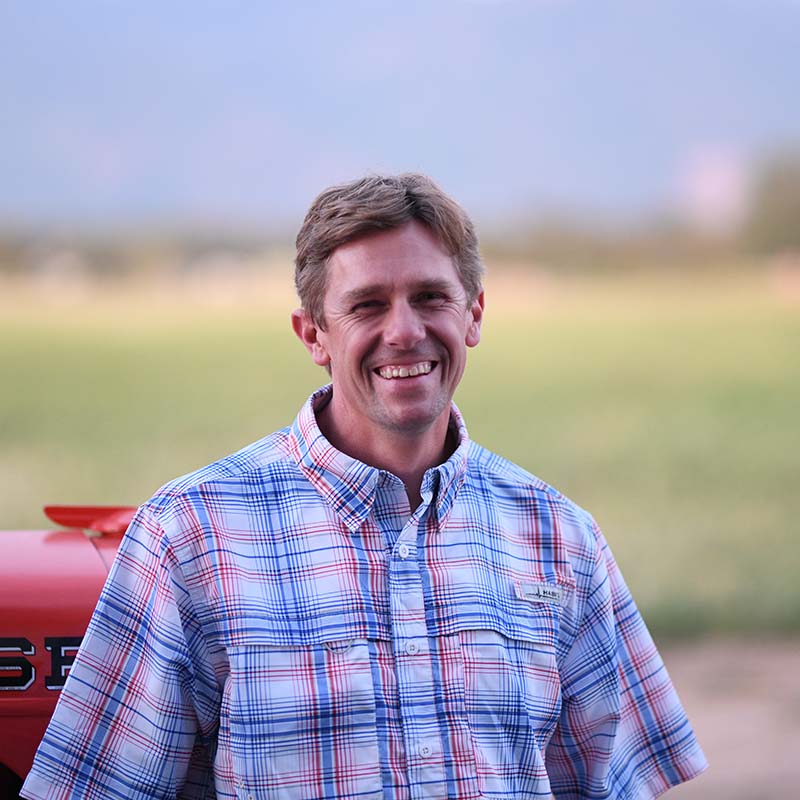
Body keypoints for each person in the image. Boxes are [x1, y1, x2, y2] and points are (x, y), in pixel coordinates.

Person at [22, 173, 707, 800]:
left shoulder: (560, 538)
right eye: (368, 305)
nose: (404, 332)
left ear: (473, 314)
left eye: (431, 297)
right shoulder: (189, 535)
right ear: (313, 333)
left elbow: (613, 786)